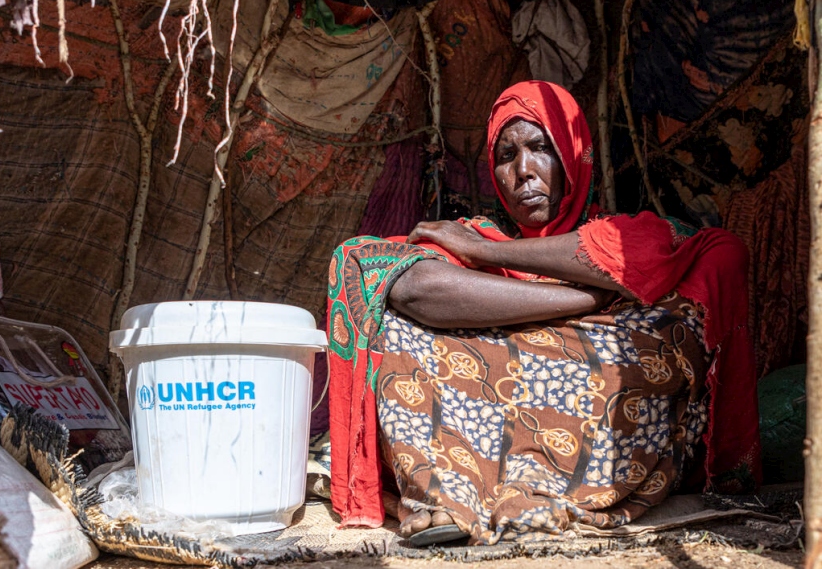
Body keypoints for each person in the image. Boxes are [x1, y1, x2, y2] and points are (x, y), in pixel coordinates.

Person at [325, 81, 761, 546]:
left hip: (607, 433)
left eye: (540, 148)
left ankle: (536, 492)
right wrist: (585, 298)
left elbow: (707, 255)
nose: (523, 171)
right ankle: (447, 498)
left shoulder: (630, 235)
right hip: (484, 422)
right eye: (506, 156)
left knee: (695, 291)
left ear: (575, 157)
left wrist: (489, 257)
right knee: (383, 300)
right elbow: (413, 287)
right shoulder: (476, 239)